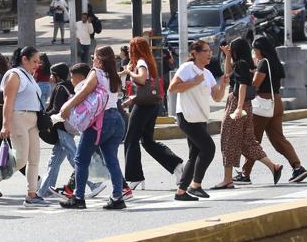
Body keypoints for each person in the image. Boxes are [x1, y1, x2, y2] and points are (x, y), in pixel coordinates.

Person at [58, 45, 128, 210]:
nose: (92, 59)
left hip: (100, 121)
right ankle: (117, 197)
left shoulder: (96, 72)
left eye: (94, 56)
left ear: (99, 59)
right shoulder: (113, 75)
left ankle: (78, 198)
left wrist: (68, 106)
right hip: (117, 119)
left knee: (81, 159)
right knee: (111, 159)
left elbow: (84, 92)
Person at [0, 46, 49, 206]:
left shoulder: (29, 76)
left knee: (34, 158)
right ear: (24, 59)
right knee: (20, 159)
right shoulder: (14, 75)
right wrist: (5, 125)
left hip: (32, 119)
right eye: (34, 61)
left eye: (38, 62)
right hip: (18, 118)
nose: (37, 65)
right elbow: (8, 102)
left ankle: (32, 195)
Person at [214, 38, 283, 189]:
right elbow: (228, 74)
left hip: (237, 103)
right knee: (247, 141)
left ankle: (227, 179)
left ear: (236, 50)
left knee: (228, 140)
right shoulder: (246, 64)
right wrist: (227, 56)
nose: (230, 51)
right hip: (247, 105)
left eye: (232, 49)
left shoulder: (240, 65)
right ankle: (273, 167)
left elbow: (243, 85)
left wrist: (238, 107)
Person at [239, 36, 307, 183]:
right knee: (279, 139)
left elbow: (255, 85)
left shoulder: (263, 63)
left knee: (252, 140)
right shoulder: (275, 62)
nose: (254, 52)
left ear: (260, 49)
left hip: (263, 104)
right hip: (276, 102)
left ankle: (245, 174)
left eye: (255, 49)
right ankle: (298, 167)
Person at [120, 37, 183, 192]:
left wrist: (129, 72)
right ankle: (175, 165)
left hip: (144, 106)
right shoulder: (147, 61)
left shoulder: (141, 62)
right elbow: (144, 88)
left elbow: (142, 80)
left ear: (135, 49)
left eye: (131, 48)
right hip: (151, 104)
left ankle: (134, 176)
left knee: (131, 139)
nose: (129, 51)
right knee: (147, 141)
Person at [169, 40, 229, 202]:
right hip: (186, 116)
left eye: (210, 51)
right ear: (195, 53)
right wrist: (194, 82)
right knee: (208, 148)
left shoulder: (208, 74)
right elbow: (172, 88)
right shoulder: (187, 68)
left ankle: (181, 191)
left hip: (200, 118)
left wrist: (223, 85)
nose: (210, 54)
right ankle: (195, 185)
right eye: (206, 51)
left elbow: (217, 98)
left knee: (195, 154)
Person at [39, 63, 107, 200]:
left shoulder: (60, 87)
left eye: (52, 74)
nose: (50, 77)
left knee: (75, 158)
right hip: (70, 126)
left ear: (57, 76)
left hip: (62, 128)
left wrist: (43, 117)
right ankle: (44, 190)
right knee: (54, 161)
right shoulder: (72, 86)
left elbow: (57, 109)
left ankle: (94, 184)